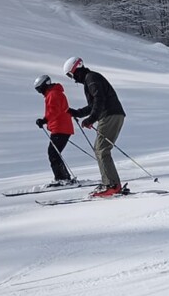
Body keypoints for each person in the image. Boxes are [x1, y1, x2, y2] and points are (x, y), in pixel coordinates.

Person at [63, 58, 126, 196]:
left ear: (77, 69)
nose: (73, 79)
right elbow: (93, 105)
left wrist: (91, 119)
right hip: (111, 114)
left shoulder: (91, 78)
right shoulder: (90, 79)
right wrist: (78, 113)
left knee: (101, 149)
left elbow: (99, 99)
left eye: (72, 75)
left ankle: (112, 185)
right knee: (100, 148)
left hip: (110, 115)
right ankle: (110, 183)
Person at [33, 74, 77, 186]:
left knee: (53, 153)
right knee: (55, 153)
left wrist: (44, 120)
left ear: (45, 85)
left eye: (40, 89)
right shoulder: (54, 93)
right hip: (61, 127)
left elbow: (54, 111)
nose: (40, 92)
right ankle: (64, 177)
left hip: (60, 128)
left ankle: (62, 179)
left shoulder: (53, 94)